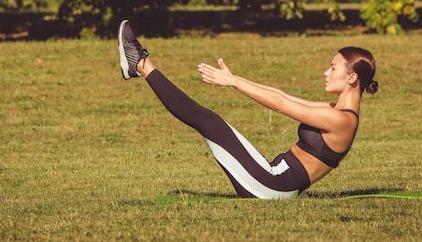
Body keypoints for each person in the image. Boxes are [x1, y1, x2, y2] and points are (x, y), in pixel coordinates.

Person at [117, 19, 378, 199]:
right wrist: (235, 78)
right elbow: (282, 95)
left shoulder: (341, 121)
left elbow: (281, 105)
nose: (326, 71)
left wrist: (233, 82)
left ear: (352, 78)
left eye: (333, 67)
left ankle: (141, 64)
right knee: (210, 122)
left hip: (272, 186)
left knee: (209, 121)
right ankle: (139, 65)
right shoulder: (333, 111)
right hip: (273, 179)